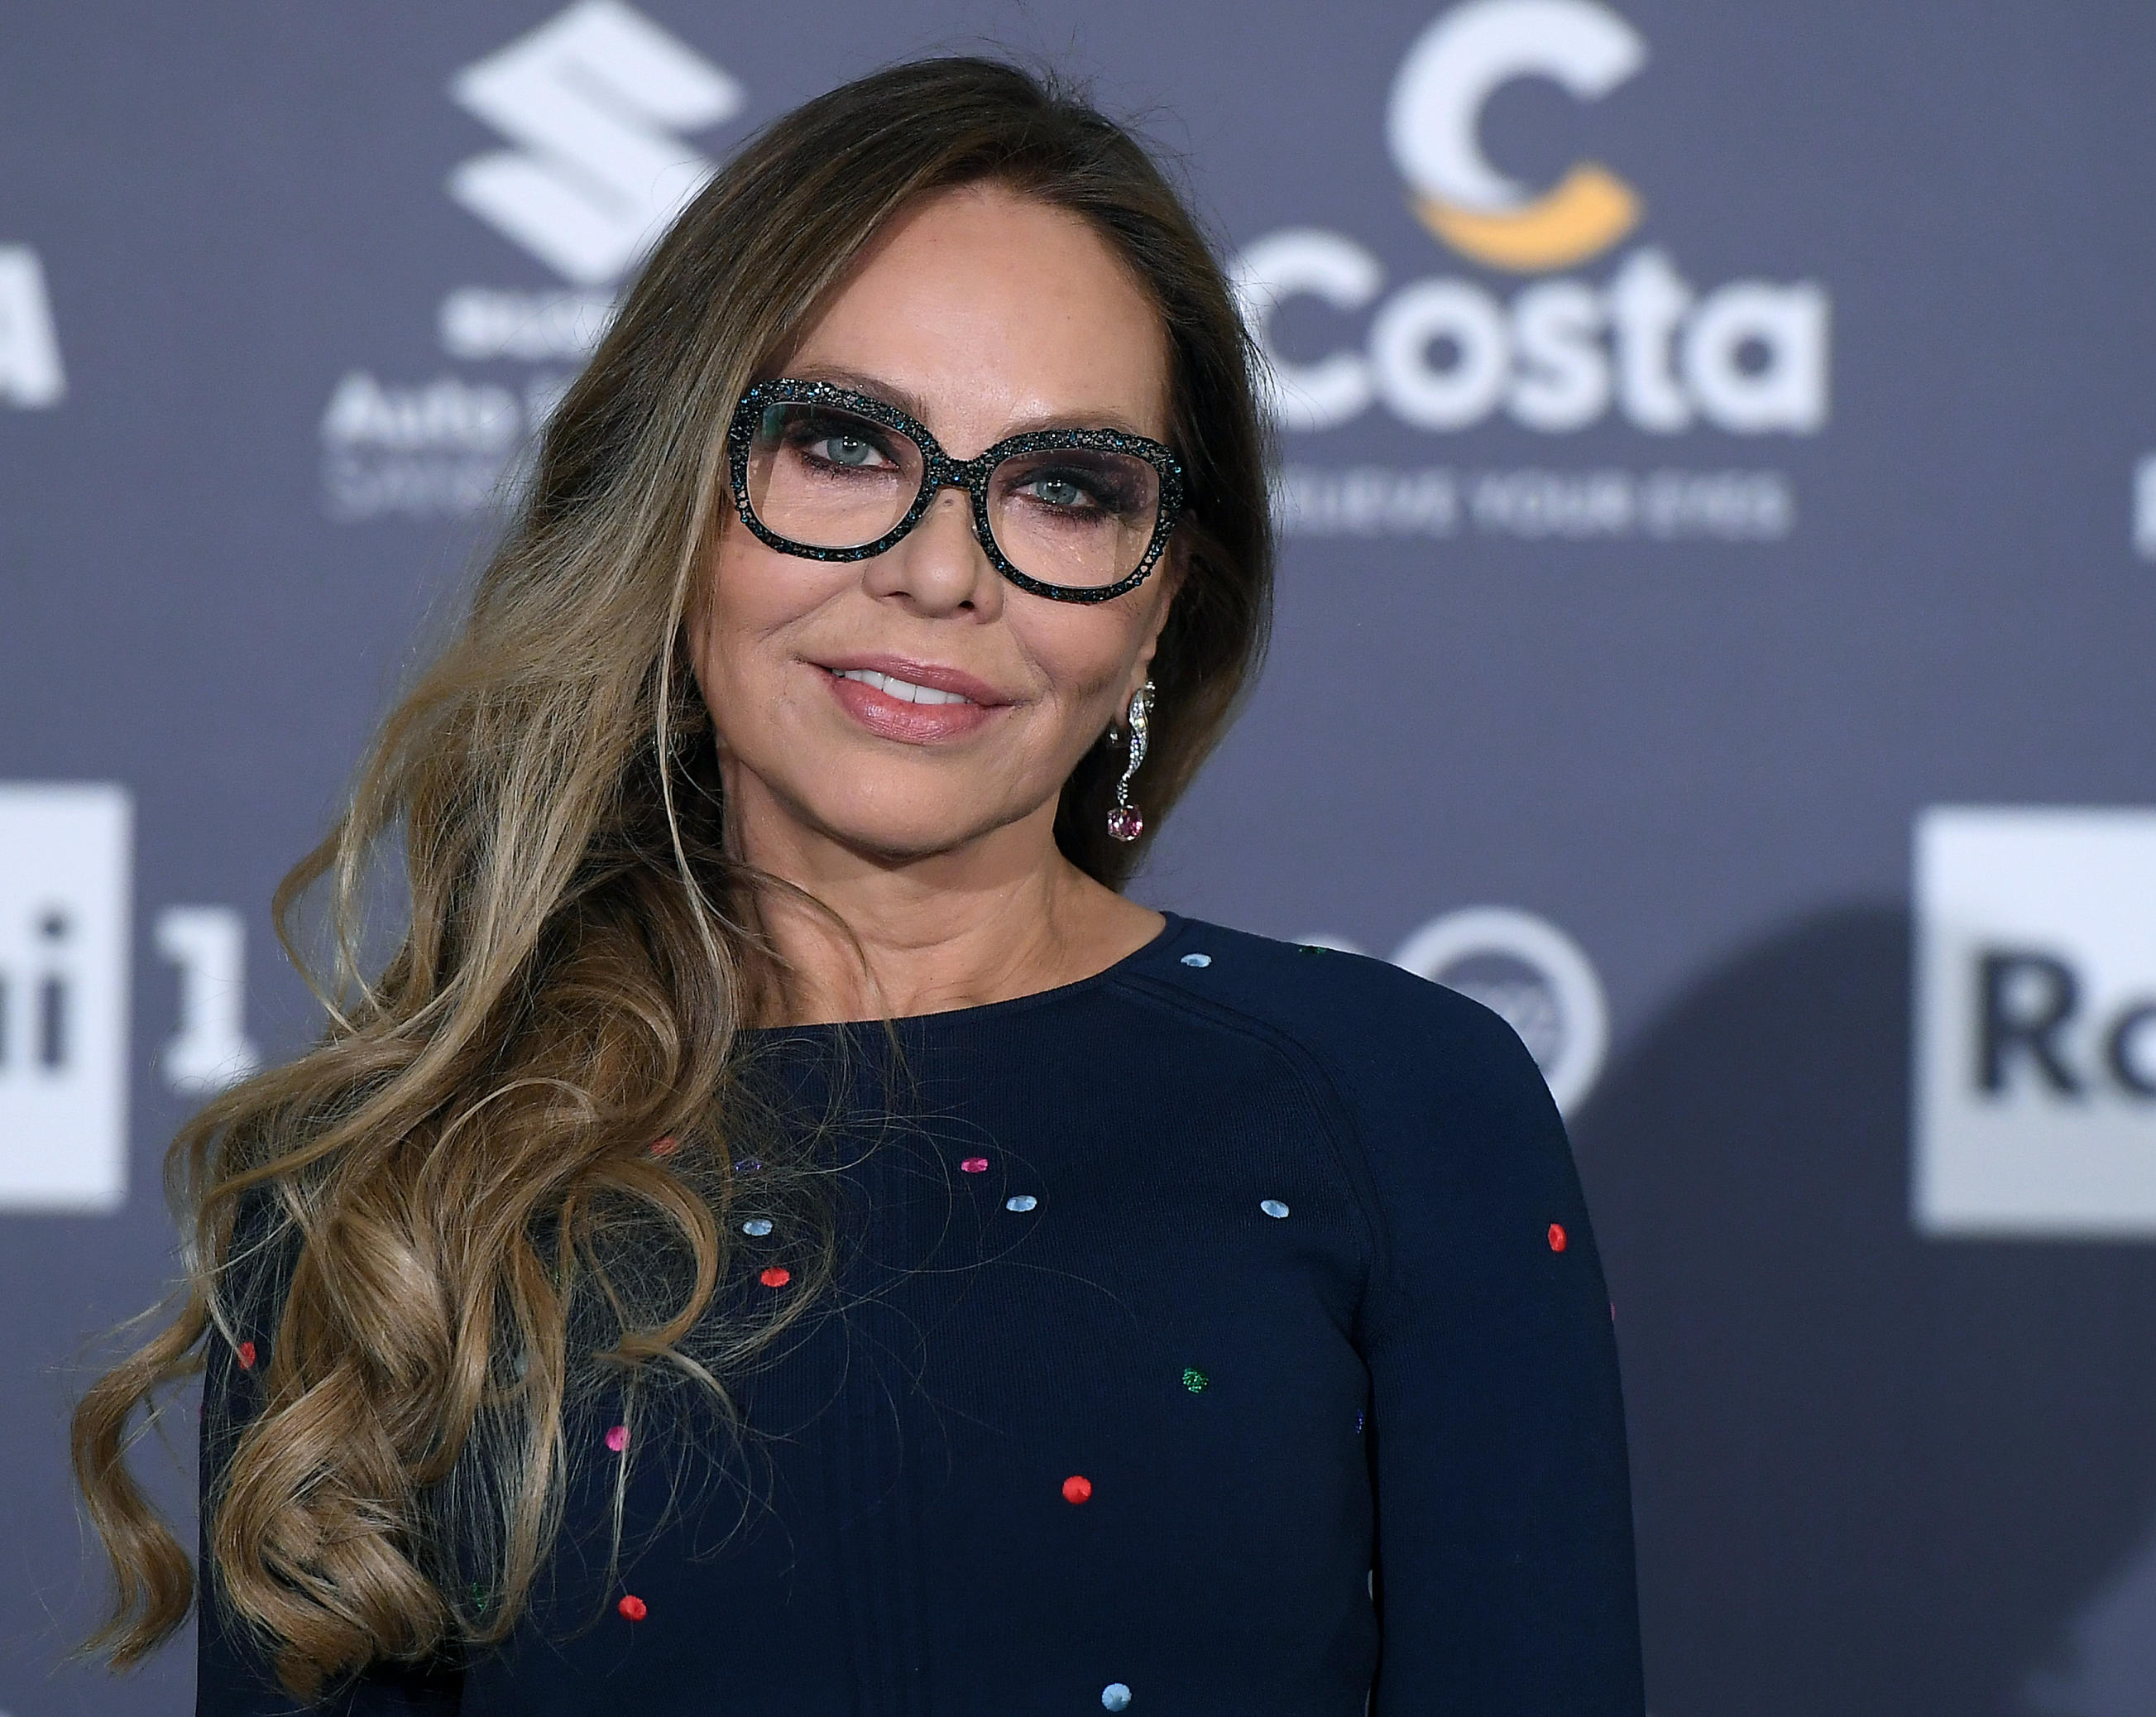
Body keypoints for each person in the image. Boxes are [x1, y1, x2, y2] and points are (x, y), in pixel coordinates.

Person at [72, 58, 1641, 1716]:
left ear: (1164, 602)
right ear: (674, 512)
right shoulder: (385, 1197)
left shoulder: (1401, 1109)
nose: (944, 568)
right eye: (843, 444)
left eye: (1066, 488)